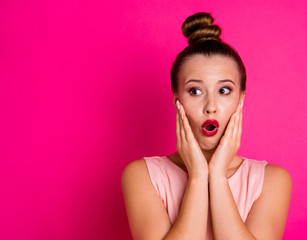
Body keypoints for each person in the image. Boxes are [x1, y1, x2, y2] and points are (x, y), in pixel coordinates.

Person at [121, 12, 292, 240]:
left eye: (223, 91)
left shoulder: (272, 180)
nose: (211, 107)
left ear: (240, 99)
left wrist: (218, 176)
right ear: (177, 100)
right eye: (195, 91)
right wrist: (198, 176)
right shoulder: (142, 175)